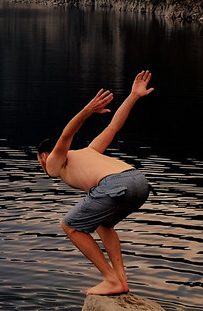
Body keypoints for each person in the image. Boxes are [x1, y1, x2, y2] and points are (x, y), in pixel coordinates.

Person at [37, 70, 154, 295]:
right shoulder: (91, 150)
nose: (44, 166)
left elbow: (65, 136)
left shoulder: (53, 163)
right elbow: (113, 126)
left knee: (70, 225)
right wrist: (133, 96)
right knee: (104, 224)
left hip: (115, 184)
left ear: (44, 156)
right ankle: (121, 280)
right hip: (139, 181)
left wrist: (86, 111)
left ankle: (110, 279)